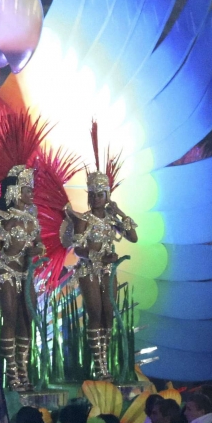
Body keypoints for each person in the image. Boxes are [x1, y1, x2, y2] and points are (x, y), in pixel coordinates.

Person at [62, 156, 137, 381]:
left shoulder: (112, 219)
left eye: (100, 194)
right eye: (92, 194)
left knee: (108, 314)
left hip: (107, 271)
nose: (95, 198)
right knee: (95, 313)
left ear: (107, 196)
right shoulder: (83, 219)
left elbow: (133, 237)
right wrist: (99, 256)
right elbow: (77, 249)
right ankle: (99, 367)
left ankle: (106, 363)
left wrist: (119, 212)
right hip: (88, 270)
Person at [0, 165, 43, 391]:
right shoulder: (5, 218)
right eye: (27, 190)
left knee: (27, 319)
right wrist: (5, 226)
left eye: (32, 190)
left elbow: (39, 245)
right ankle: (11, 374)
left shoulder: (33, 220)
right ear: (15, 192)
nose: (31, 194)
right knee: (11, 318)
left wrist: (36, 250)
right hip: (5, 271)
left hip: (25, 274)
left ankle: (23, 372)